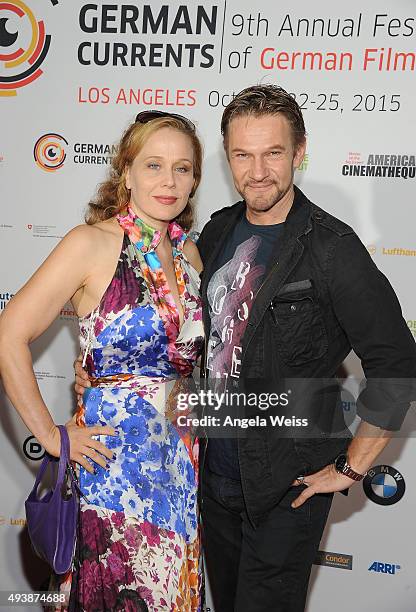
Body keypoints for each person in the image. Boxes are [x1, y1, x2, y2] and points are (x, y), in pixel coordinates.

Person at [75, 86, 416, 612]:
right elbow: (179, 333)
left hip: (285, 487)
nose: (258, 170)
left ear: (300, 152)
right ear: (227, 158)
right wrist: (100, 372)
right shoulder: (216, 232)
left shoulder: (332, 248)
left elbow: (397, 363)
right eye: (243, 154)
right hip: (208, 475)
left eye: (273, 153)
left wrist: (351, 469)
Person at [0, 111, 205, 611]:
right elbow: (9, 336)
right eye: (154, 165)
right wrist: (51, 435)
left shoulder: (191, 256)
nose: (169, 181)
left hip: (179, 466)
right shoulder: (90, 244)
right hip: (110, 470)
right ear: (127, 172)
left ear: (196, 179)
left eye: (183, 168)